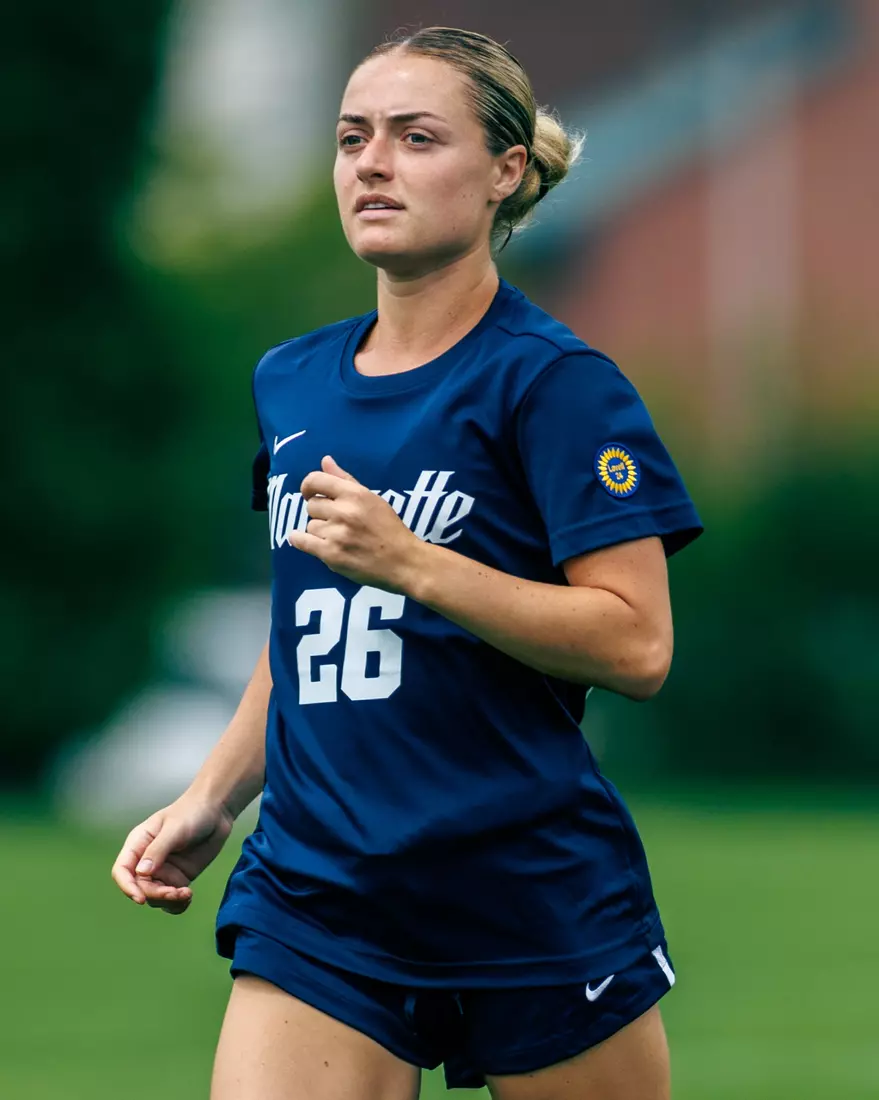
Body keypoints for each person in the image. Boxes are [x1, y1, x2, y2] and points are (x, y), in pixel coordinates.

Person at [112, 26, 702, 1100]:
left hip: (526, 887)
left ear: (505, 171)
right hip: (319, 887)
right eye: (352, 138)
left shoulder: (557, 383)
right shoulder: (291, 380)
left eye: (416, 137)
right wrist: (213, 793)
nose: (372, 163)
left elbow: (640, 640)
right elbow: (303, 627)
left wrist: (418, 563)